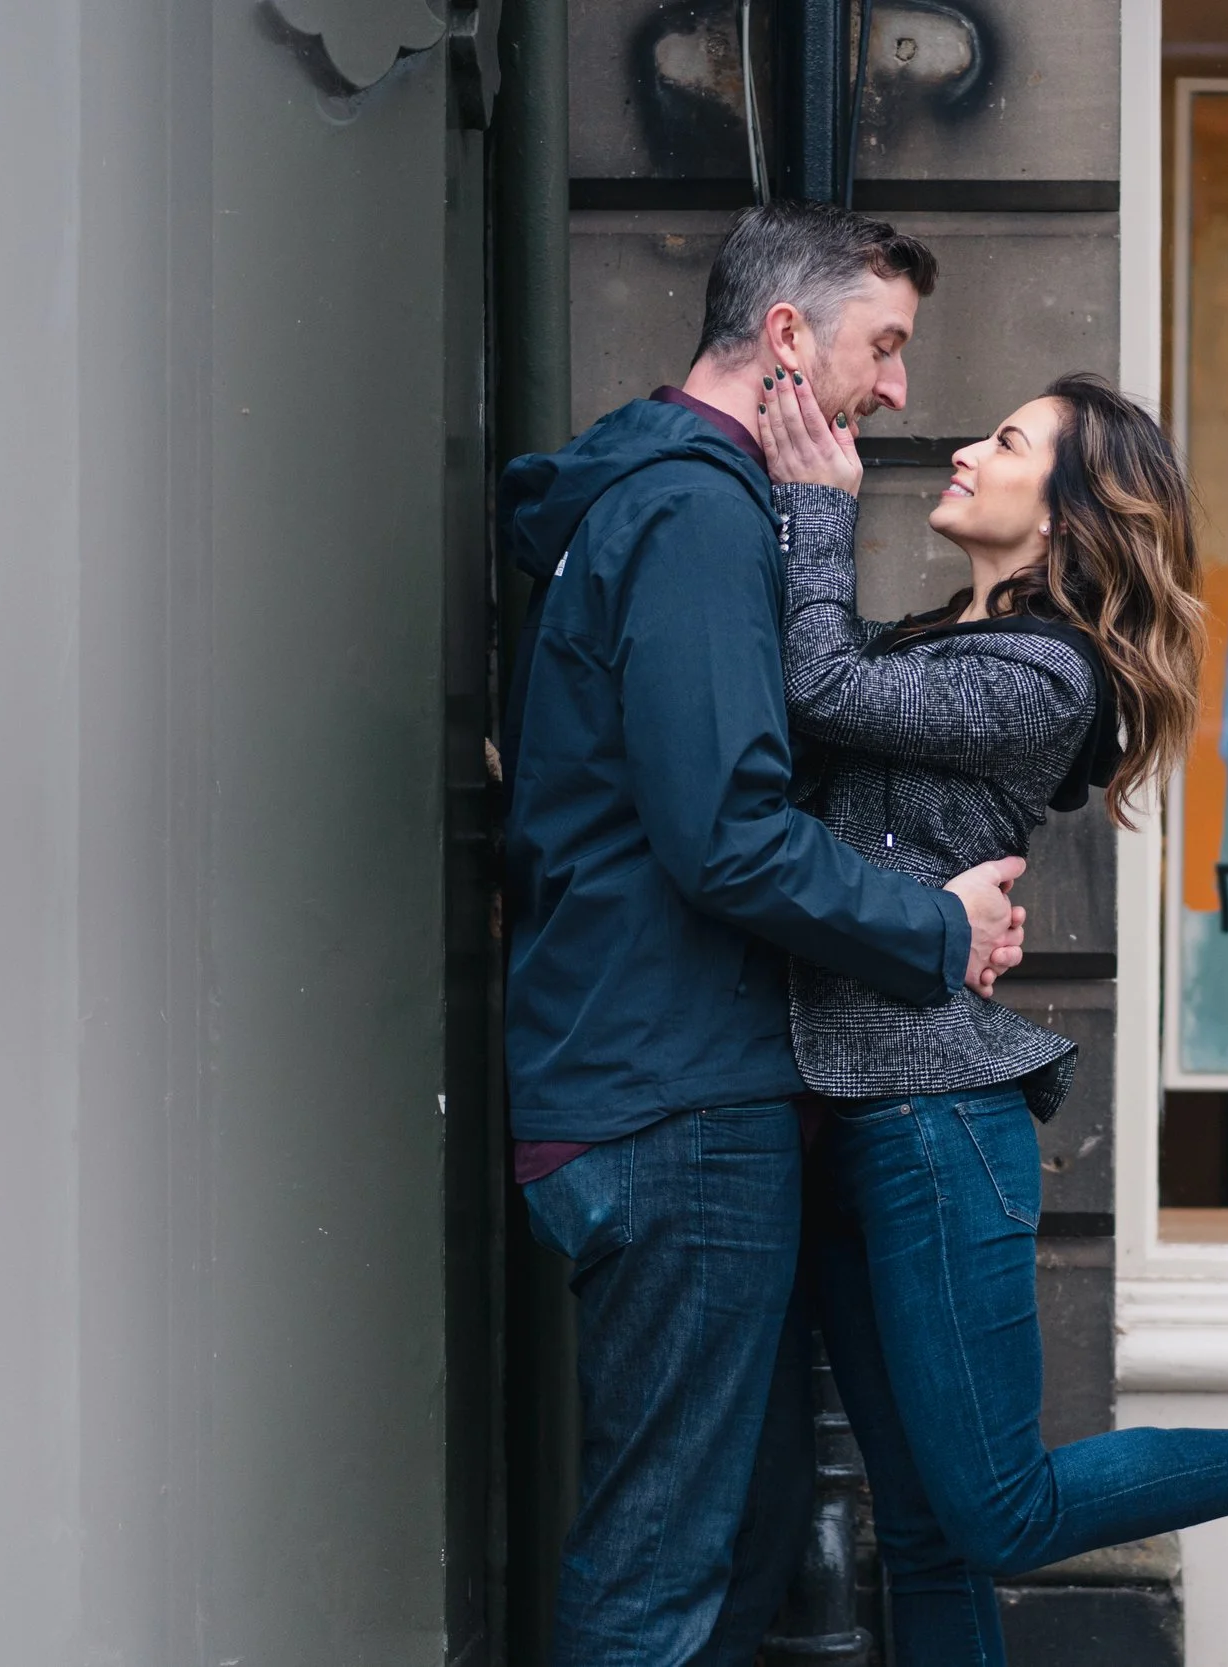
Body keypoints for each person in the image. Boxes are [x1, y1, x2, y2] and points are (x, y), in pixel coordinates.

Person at [753, 369, 1228, 1663]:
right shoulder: (939, 639)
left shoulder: (1044, 670)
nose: (969, 452)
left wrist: (817, 502)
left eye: (1009, 439)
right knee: (923, 1527)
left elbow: (815, 689)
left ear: (1067, 514)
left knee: (993, 1507)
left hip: (931, 1116)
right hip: (848, 1099)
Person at [495, 201, 1032, 1667]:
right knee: (667, 1566)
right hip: (671, 1097)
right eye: (886, 344)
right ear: (787, 337)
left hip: (667, 1081)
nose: (901, 390)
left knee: (724, 1547)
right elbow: (723, 830)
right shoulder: (691, 514)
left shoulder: (681, 499)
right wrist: (934, 925)